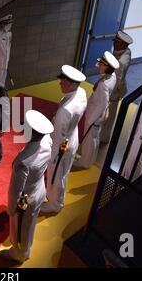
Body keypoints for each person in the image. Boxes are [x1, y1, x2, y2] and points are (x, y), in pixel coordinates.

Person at [0, 110, 53, 263]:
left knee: (20, 228)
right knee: (30, 224)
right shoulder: (47, 141)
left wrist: (11, 209)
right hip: (39, 189)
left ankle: (19, 254)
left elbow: (16, 190)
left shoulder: (23, 161)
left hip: (26, 199)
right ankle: (25, 249)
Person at [40, 65, 87, 214]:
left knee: (57, 174)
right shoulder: (81, 92)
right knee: (62, 173)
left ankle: (55, 204)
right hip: (72, 138)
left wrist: (52, 156)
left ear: (73, 84)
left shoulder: (65, 111)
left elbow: (58, 135)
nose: (60, 84)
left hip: (61, 145)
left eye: (63, 82)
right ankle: (54, 197)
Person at [74, 51, 118, 169]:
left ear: (107, 67)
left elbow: (102, 104)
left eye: (102, 64)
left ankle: (84, 162)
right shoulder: (112, 77)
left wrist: (91, 120)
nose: (99, 66)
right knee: (94, 138)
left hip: (95, 116)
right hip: (99, 115)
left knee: (90, 140)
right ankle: (89, 159)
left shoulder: (103, 85)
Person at [100, 31, 133, 143]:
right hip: (113, 85)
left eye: (116, 42)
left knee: (109, 115)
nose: (114, 43)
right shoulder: (122, 51)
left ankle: (104, 138)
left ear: (123, 44)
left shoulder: (122, 60)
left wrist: (108, 93)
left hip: (114, 91)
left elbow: (117, 79)